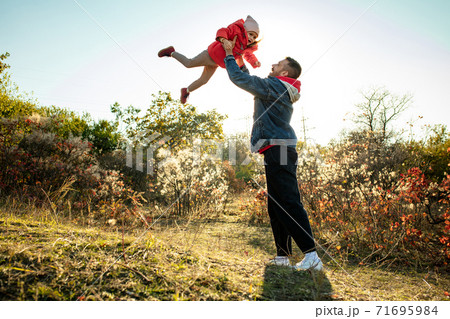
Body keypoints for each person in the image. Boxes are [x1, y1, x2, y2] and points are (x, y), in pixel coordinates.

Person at [221, 38, 323, 271]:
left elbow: (240, 79)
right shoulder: (276, 87)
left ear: (284, 71)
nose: (273, 65)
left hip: (281, 150)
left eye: (278, 64)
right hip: (276, 149)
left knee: (288, 201)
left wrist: (228, 55)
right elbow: (249, 80)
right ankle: (282, 256)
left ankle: (311, 256)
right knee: (276, 204)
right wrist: (238, 57)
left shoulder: (275, 86)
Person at [157, 15, 261, 104]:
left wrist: (254, 62)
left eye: (254, 37)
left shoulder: (245, 47)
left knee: (204, 80)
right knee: (189, 63)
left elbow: (248, 55)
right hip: (210, 54)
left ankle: (186, 90)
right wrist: (224, 40)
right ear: (245, 29)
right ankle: (171, 52)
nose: (252, 38)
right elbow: (223, 31)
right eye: (251, 34)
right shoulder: (236, 31)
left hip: (216, 63)